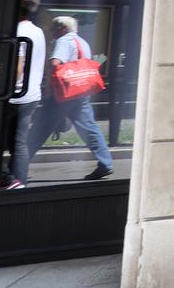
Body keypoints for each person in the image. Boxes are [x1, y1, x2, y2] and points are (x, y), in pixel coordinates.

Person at [27, 16, 114, 181]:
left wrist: (48, 89)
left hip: (64, 94)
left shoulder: (64, 41)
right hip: (81, 93)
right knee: (89, 128)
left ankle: (18, 168)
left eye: (54, 28)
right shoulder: (83, 42)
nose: (52, 31)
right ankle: (105, 163)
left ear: (63, 28)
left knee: (39, 129)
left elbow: (55, 63)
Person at [0, 0, 48, 188]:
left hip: (14, 96)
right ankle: (20, 184)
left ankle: (7, 179)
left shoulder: (18, 31)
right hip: (31, 95)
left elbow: (17, 68)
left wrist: (5, 90)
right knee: (19, 143)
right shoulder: (38, 31)